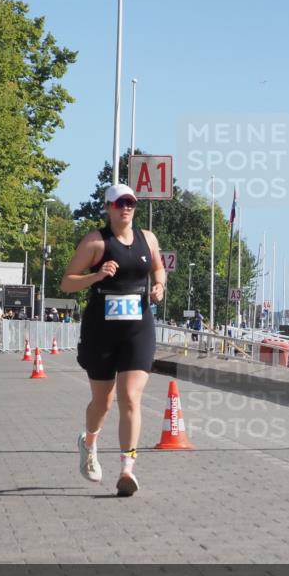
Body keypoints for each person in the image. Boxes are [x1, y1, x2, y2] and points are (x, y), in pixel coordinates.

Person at [61, 183, 165, 497]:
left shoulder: (148, 238)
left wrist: (159, 286)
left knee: (130, 397)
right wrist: (96, 275)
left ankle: (127, 470)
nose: (125, 208)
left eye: (130, 202)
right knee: (103, 401)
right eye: (119, 203)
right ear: (108, 208)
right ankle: (89, 442)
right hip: (101, 328)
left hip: (138, 326)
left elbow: (158, 268)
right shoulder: (95, 242)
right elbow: (67, 283)